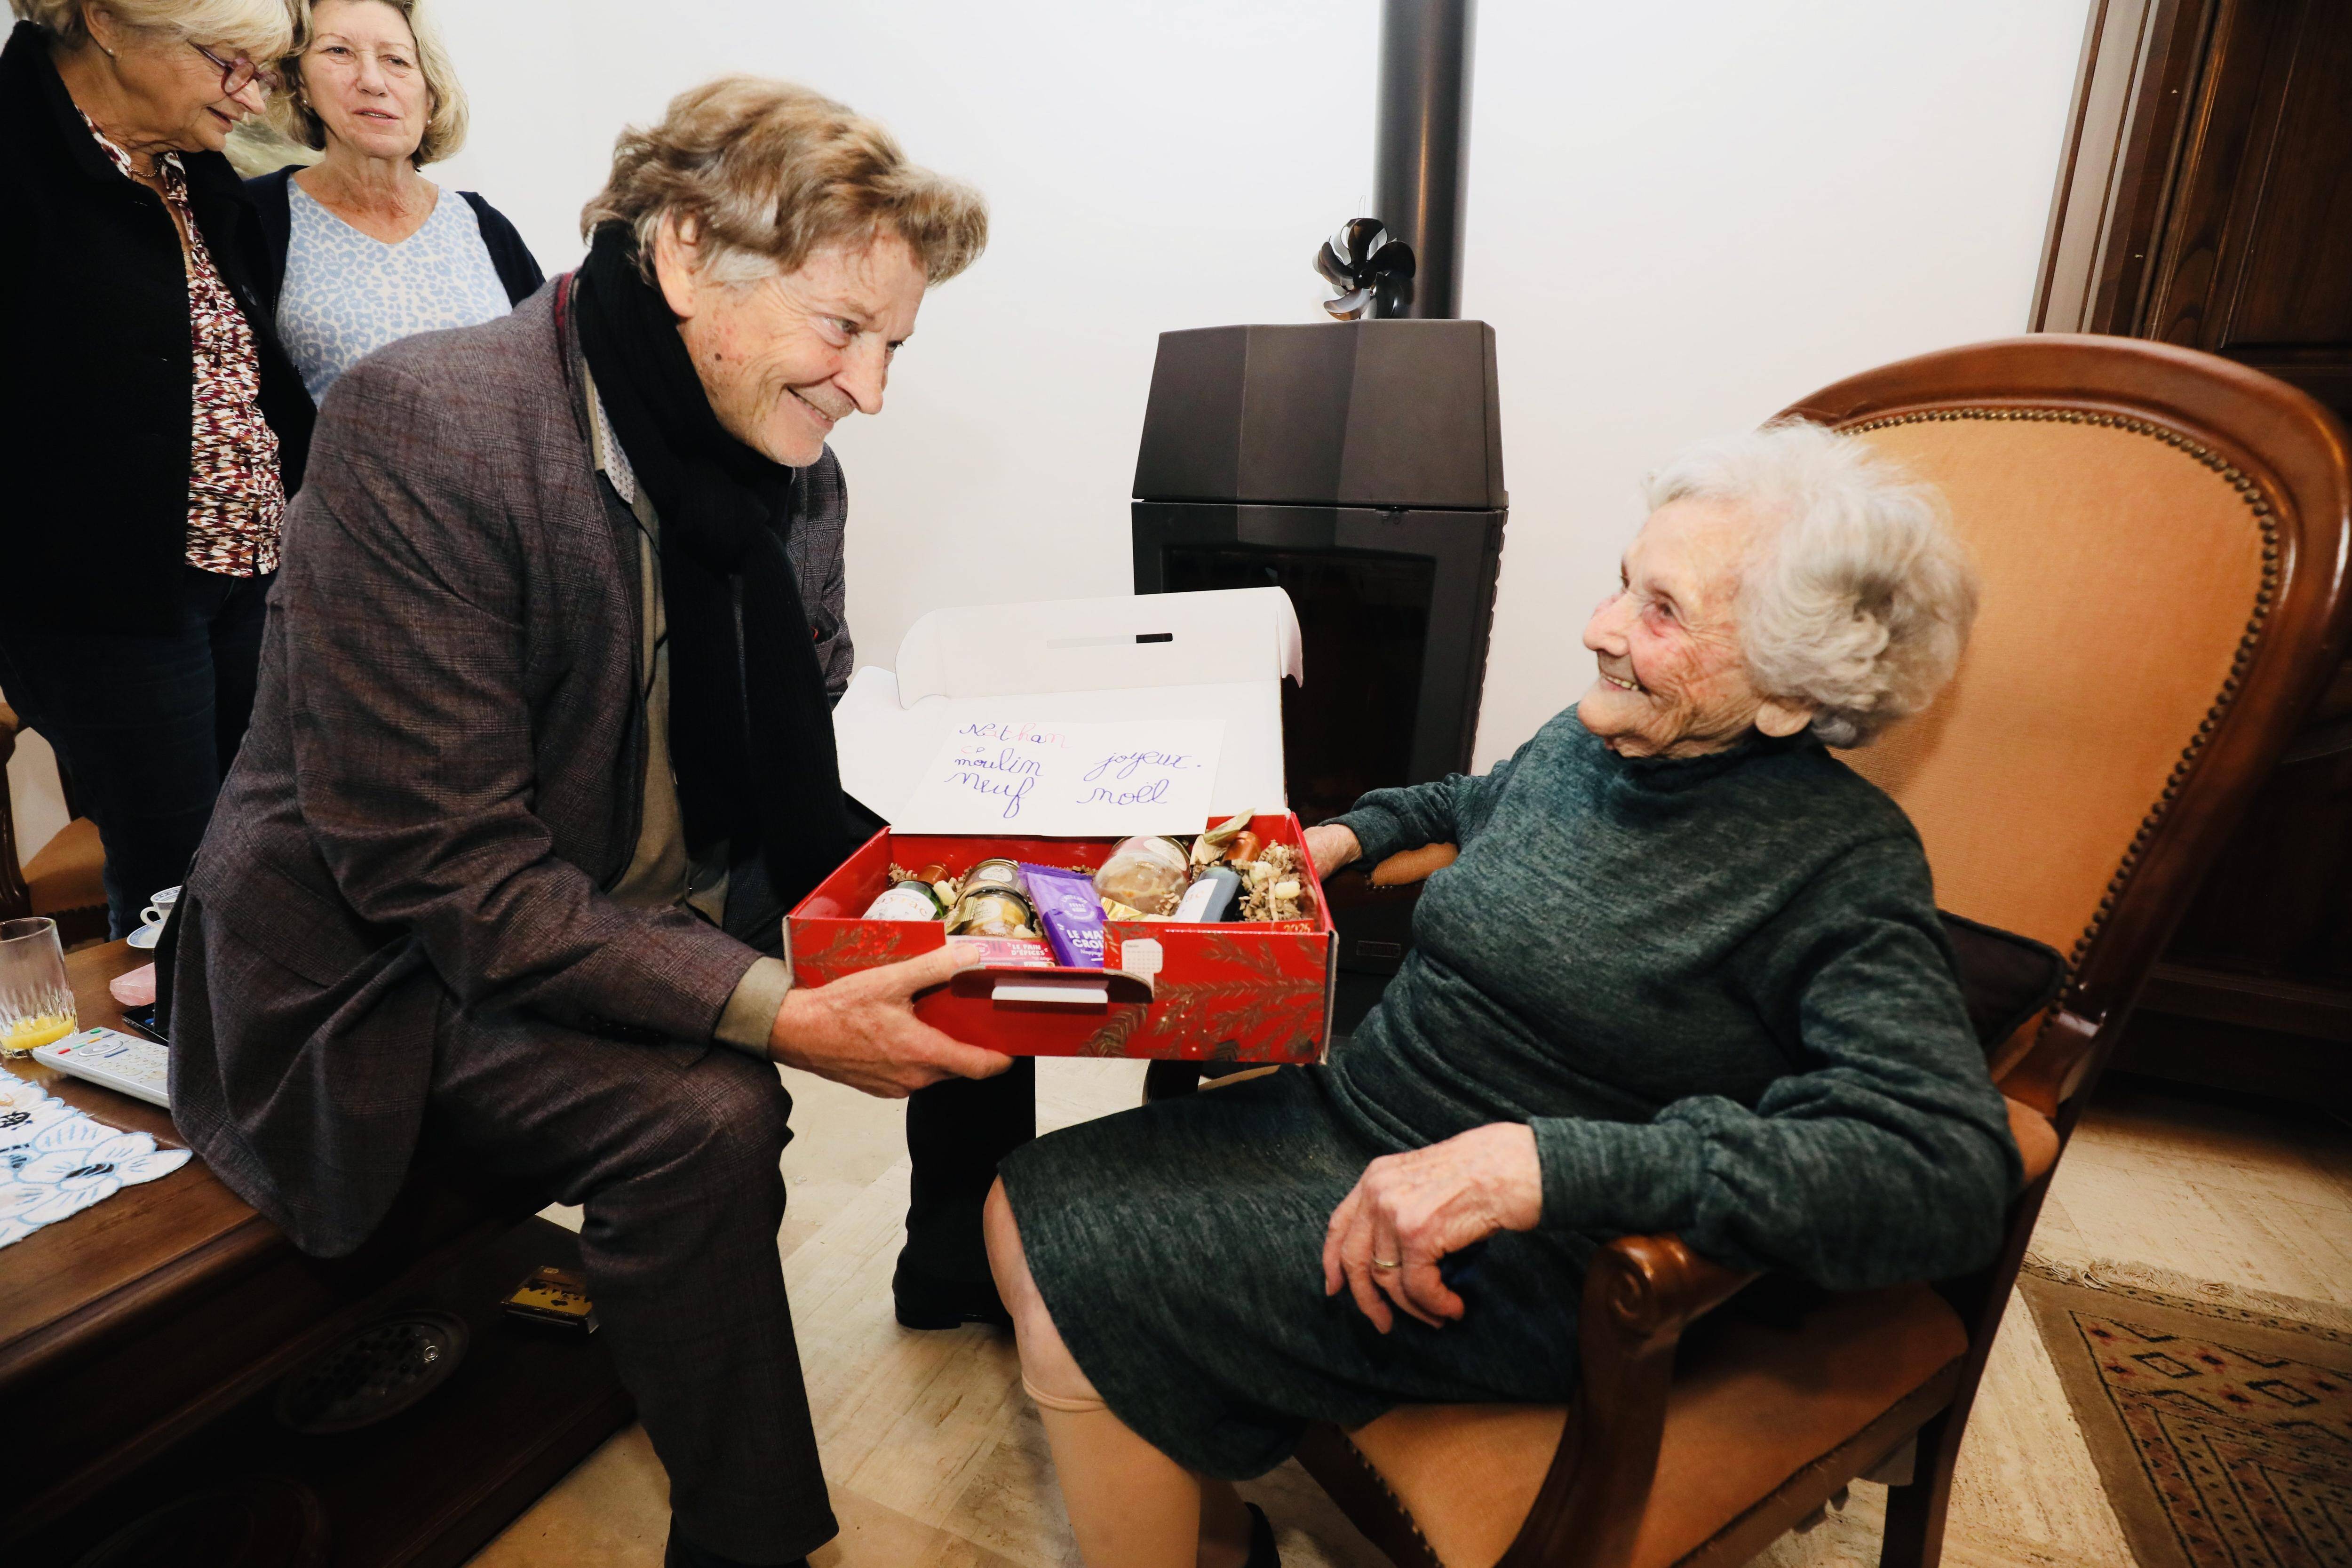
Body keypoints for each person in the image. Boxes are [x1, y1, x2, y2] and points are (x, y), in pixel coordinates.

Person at [164, 78, 996, 1568]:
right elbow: (446, 873)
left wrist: (966, 892)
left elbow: (794, 737)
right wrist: (781, 1011)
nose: (870, 388)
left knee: (972, 935)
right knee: (711, 1115)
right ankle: (749, 1537)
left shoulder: (795, 476)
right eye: (843, 329)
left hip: (626, 870)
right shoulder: (428, 426)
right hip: (386, 964)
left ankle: (956, 1263)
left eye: (894, 347)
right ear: (687, 254)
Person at [982, 422, 2026, 1568]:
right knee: (1028, 1198)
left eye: (1662, 611)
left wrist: (1536, 1164)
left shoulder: (1838, 865)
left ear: (1789, 690)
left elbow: (1946, 1167)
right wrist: (1343, 834)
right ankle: (1218, 1536)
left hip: (1531, 1257)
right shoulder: (1600, 745)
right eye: (1623, 583)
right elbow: (1466, 802)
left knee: (1084, 1272)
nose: (1601, 628)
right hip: (1354, 1120)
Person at [0, 0, 312, 939]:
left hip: (250, 575)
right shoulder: (18, 165)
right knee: (177, 888)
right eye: (229, 62)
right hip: (109, 608)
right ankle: (183, 1069)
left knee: (274, 854)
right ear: (107, 21)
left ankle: (265, 1069)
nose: (250, 94)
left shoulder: (194, 166)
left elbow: (249, 365)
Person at [244, 0, 541, 402]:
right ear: (300, 85)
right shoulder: (253, 217)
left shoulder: (484, 227)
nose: (372, 81)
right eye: (339, 52)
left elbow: (551, 390)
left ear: (431, 97)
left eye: (397, 61)